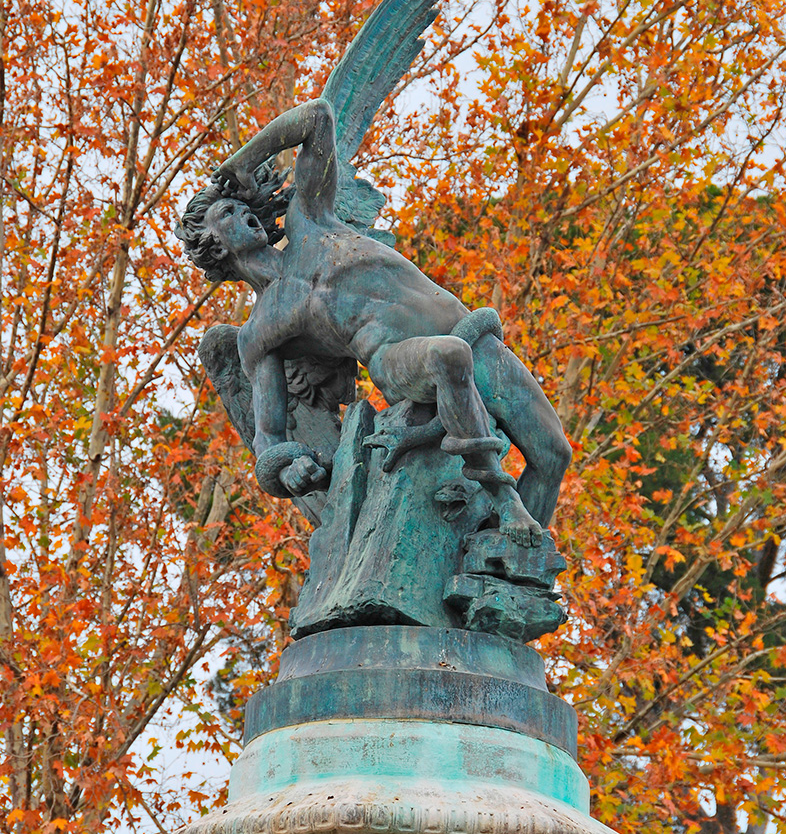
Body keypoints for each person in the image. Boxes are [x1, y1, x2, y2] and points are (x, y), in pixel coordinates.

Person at [178, 99, 571, 544]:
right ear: (210, 245)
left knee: (554, 453)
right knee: (448, 355)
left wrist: (244, 162)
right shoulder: (259, 334)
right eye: (225, 214)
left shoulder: (310, 221)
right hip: (400, 359)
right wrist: (292, 470)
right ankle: (506, 502)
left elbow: (319, 116)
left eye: (240, 206)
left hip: (471, 333)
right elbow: (267, 439)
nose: (243, 213)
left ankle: (515, 571)